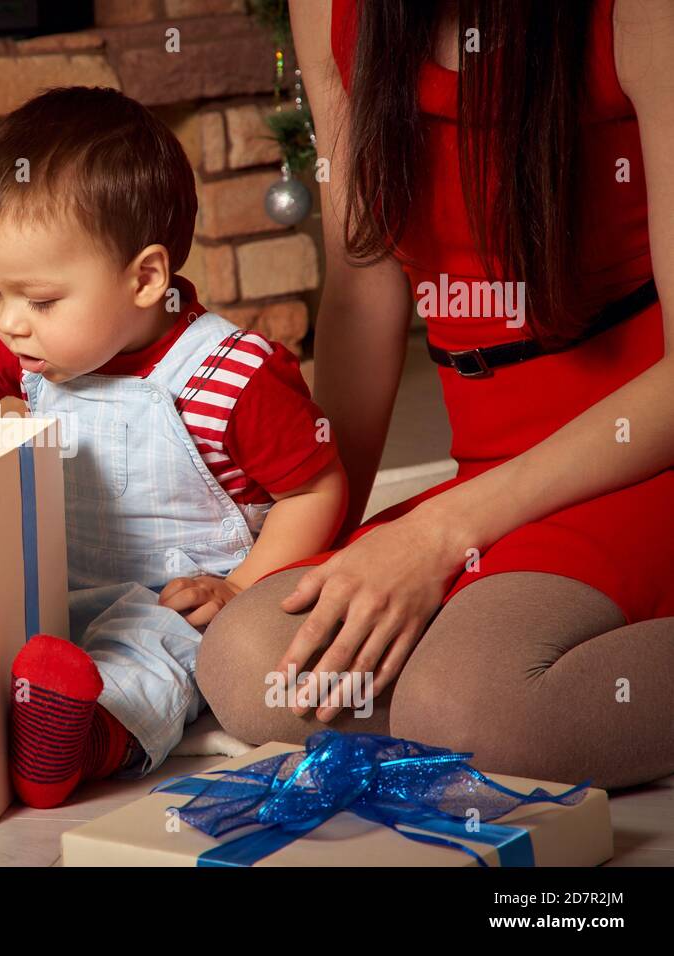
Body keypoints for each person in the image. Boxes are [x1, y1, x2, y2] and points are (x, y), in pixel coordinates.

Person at [0, 86, 347, 808]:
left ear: (145, 278)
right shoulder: (31, 350)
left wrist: (241, 590)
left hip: (177, 598)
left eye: (40, 300)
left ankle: (79, 742)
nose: (11, 323)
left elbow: (315, 488)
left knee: (154, 657)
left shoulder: (234, 376)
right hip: (49, 581)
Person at [197, 0, 674, 790]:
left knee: (472, 712)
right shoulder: (330, 9)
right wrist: (323, 543)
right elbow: (360, 295)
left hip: (635, 456)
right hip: (484, 467)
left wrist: (438, 537)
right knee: (256, 665)